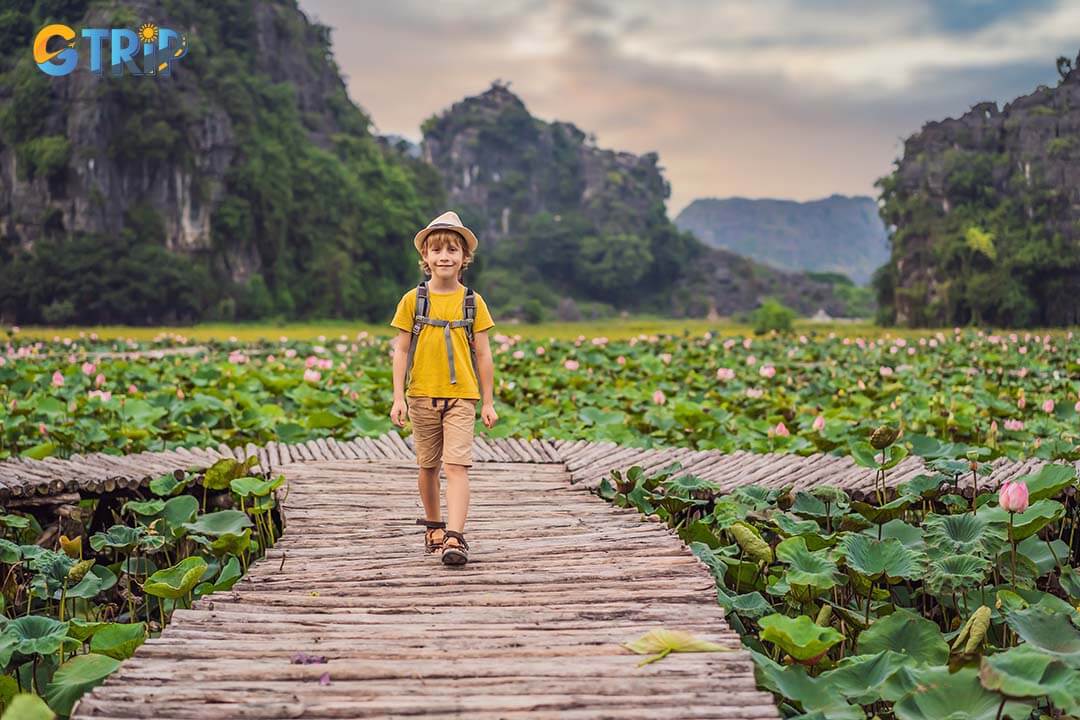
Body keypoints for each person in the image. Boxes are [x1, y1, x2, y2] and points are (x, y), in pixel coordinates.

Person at [389, 211, 497, 566]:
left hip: (462, 397)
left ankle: (455, 536)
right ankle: (433, 526)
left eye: (453, 249)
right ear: (426, 259)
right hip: (421, 394)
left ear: (465, 258)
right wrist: (398, 397)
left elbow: (483, 353)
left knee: (457, 466)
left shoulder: (473, 302)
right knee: (428, 466)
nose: (445, 256)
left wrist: (488, 402)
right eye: (437, 251)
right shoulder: (412, 300)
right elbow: (401, 349)